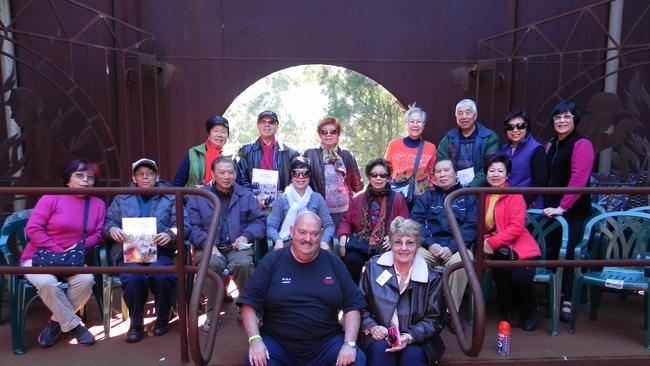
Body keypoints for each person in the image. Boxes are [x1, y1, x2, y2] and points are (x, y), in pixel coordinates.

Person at [238, 211, 367, 366]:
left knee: (356, 360)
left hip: (326, 344)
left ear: (321, 235)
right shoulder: (272, 262)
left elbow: (353, 305)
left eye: (314, 234)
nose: (308, 239)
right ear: (292, 231)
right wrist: (255, 340)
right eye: (302, 232)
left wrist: (349, 344)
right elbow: (248, 304)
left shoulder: (334, 263)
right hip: (278, 344)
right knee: (255, 363)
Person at [20, 159, 106, 348]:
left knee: (86, 281)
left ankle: (55, 323)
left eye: (90, 177)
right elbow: (33, 229)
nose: (85, 180)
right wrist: (58, 251)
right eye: (79, 175)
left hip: (72, 259)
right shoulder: (51, 198)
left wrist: (80, 247)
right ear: (68, 180)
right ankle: (76, 327)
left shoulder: (98, 204)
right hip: (39, 257)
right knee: (48, 283)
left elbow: (99, 234)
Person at [103, 158, 190, 343]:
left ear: (157, 177)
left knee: (162, 275)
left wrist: (170, 234)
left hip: (160, 251)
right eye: (140, 174)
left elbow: (184, 225)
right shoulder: (121, 197)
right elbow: (108, 224)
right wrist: (112, 230)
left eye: (149, 174)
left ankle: (163, 317)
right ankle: (136, 322)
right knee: (134, 277)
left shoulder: (171, 196)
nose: (145, 177)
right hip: (129, 252)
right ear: (133, 178)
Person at [187, 156, 265, 327]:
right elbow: (192, 226)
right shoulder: (199, 196)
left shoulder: (245, 195)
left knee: (243, 264)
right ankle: (212, 315)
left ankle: (248, 310)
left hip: (237, 246)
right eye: (221, 172)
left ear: (236, 175)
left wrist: (246, 236)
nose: (226, 176)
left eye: (230, 172)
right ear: (213, 174)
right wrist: (207, 244)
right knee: (211, 263)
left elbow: (259, 221)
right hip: (209, 246)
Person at [359, 217, 445, 365]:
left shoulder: (431, 278)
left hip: (418, 339)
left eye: (409, 242)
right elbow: (359, 305)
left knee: (412, 359)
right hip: (379, 336)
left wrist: (409, 336)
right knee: (381, 357)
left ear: (417, 246)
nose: (404, 248)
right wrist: (372, 327)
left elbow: (434, 319)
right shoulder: (373, 267)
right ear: (391, 244)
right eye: (398, 242)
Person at [542, 101, 594, 322]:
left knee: (569, 251)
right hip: (551, 209)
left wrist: (563, 207)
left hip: (572, 211)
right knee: (553, 250)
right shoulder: (550, 144)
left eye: (567, 117)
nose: (562, 121)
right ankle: (555, 293)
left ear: (575, 120)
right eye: (558, 117)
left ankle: (568, 299)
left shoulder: (582, 144)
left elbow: (578, 180)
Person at [410, 159, 477, 322]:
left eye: (446, 170)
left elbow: (472, 226)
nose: (442, 174)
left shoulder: (468, 196)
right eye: (438, 171)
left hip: (457, 247)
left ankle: (450, 314)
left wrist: (453, 247)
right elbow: (415, 223)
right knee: (412, 258)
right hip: (430, 246)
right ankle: (420, 310)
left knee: (462, 262)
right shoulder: (427, 197)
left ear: (455, 174)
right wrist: (430, 244)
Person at [483, 154, 541, 331]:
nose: (495, 174)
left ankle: (530, 311)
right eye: (491, 170)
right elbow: (481, 227)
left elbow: (516, 227)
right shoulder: (482, 196)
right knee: (501, 275)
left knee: (520, 277)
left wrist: (492, 243)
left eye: (500, 170)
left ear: (507, 175)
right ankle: (511, 309)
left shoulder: (514, 195)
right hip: (497, 250)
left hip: (519, 246)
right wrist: (487, 241)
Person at [337, 158, 410, 284]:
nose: (378, 178)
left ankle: (379, 298)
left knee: (384, 266)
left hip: (385, 246)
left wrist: (395, 236)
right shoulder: (358, 197)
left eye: (383, 175)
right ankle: (354, 296)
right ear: (369, 177)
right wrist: (343, 237)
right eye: (374, 175)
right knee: (352, 260)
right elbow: (346, 221)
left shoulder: (397, 198)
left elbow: (406, 223)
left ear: (388, 178)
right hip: (361, 243)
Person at [303, 116, 363, 229]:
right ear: (319, 135)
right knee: (323, 244)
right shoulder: (310, 154)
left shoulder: (346, 155)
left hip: (345, 212)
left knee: (342, 243)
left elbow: (357, 184)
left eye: (333, 131)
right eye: (324, 132)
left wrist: (357, 207)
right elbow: (301, 182)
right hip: (319, 212)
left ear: (338, 134)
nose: (328, 135)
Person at [267, 157, 335, 250]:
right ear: (291, 176)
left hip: (312, 243)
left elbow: (329, 225)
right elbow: (271, 227)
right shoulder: (282, 199)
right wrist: (278, 240)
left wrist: (324, 241)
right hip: (287, 243)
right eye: (296, 173)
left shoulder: (317, 198)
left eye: (305, 173)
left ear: (310, 176)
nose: (301, 177)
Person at [236, 110, 300, 210]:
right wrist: (253, 197)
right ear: (257, 125)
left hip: (283, 205)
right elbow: (242, 179)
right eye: (263, 122)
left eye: (271, 122)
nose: (267, 125)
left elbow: (297, 179)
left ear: (277, 127)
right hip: (253, 205)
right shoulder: (246, 151)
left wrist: (285, 196)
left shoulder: (290, 153)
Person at [437, 99, 499, 187]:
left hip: (481, 190)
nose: (464, 116)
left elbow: (490, 166)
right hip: (453, 189)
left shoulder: (489, 137)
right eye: (460, 113)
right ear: (456, 117)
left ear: (475, 115)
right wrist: (454, 185)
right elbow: (441, 164)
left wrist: (471, 187)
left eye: (468, 112)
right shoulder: (448, 139)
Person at [384, 104, 437, 198]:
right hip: (397, 195)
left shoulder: (431, 148)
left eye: (419, 121)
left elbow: (432, 174)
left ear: (423, 125)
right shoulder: (394, 145)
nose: (415, 125)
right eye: (412, 121)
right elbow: (385, 169)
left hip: (421, 196)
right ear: (406, 124)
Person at [501, 109, 548, 208]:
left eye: (520, 126)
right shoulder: (504, 149)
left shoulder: (537, 149)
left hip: (529, 208)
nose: (515, 130)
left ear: (527, 127)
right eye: (510, 127)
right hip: (506, 203)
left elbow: (539, 181)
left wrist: (522, 203)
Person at [173, 115, 230, 187]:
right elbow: (178, 181)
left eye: (223, 131)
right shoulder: (193, 153)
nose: (219, 135)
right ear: (208, 135)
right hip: (192, 197)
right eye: (216, 131)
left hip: (219, 198)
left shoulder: (229, 158)